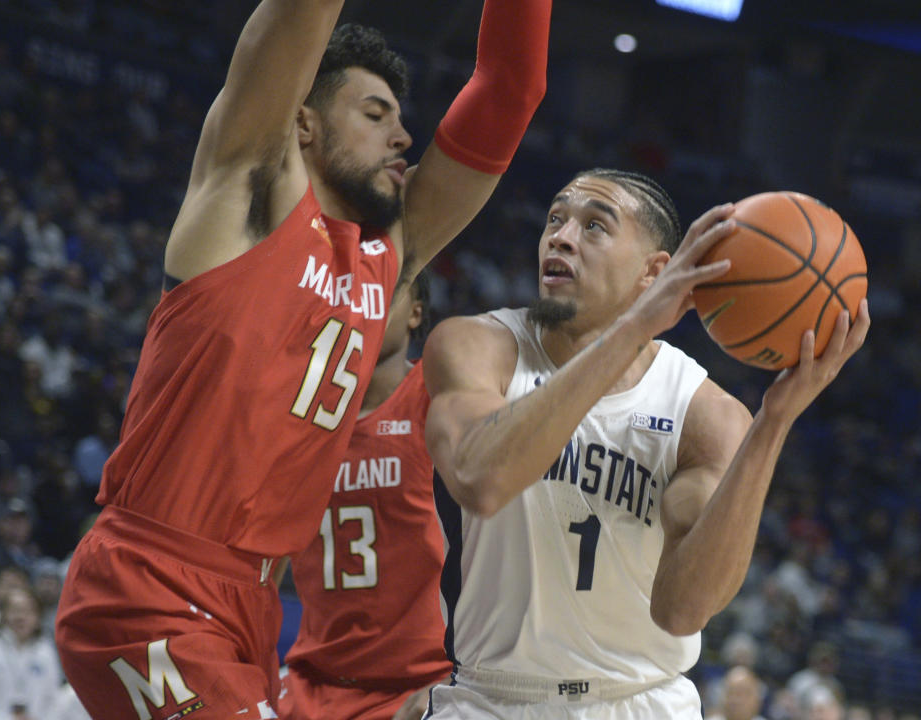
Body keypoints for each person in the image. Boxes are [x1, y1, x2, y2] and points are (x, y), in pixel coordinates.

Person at [55, 1, 551, 718]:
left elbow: (511, 89)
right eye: (375, 114)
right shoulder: (243, 193)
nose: (404, 136)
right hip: (148, 586)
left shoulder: (388, 258)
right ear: (305, 123)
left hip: (250, 605)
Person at [421, 168, 870, 719]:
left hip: (642, 701)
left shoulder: (702, 414)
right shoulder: (479, 346)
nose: (561, 236)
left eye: (595, 226)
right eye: (556, 219)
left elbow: (684, 609)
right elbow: (481, 480)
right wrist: (633, 327)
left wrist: (773, 423)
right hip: (491, 699)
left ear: (654, 272)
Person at [277, 273, 449, 720]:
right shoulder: (291, 419)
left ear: (416, 313)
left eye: (385, 292)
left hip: (425, 684)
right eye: (351, 293)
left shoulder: (441, 400)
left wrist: (463, 678)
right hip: (313, 685)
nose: (364, 306)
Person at [0, 586, 63, 720]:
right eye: (15, 610)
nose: (21, 617)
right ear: (2, 615)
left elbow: (54, 703)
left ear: (38, 617)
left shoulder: (46, 653)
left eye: (28, 611)